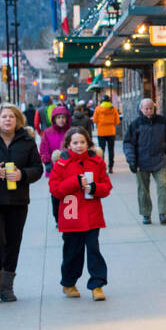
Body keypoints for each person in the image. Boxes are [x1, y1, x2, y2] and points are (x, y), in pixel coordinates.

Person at [0, 103, 44, 304]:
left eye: (12, 117)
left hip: (18, 201)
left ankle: (7, 288)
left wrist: (22, 174)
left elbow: (38, 169)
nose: (8, 119)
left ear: (18, 120)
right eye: (4, 116)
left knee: (13, 244)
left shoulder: (27, 141)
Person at [49, 127, 111, 301]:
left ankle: (97, 285)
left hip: (92, 215)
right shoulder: (61, 164)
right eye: (75, 143)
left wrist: (94, 188)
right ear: (68, 144)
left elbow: (106, 187)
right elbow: (55, 190)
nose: (79, 146)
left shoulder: (97, 162)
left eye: (82, 142)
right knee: (72, 252)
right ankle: (68, 283)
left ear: (88, 143)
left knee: (93, 250)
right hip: (71, 216)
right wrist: (74, 182)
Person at [123, 98, 166, 225]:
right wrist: (131, 160)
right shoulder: (136, 124)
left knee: (162, 186)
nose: (149, 111)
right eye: (146, 108)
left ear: (154, 108)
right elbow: (129, 144)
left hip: (160, 160)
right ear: (141, 109)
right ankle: (146, 214)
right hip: (142, 162)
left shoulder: (163, 122)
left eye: (151, 108)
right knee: (143, 189)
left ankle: (163, 213)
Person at [39, 105, 72, 216]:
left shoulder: (71, 132)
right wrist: (47, 162)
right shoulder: (48, 132)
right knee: (56, 193)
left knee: (70, 193)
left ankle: (68, 215)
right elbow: (43, 148)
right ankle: (57, 216)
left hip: (70, 168)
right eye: (58, 117)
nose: (61, 120)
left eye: (63, 117)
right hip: (54, 168)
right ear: (54, 119)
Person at [92, 95, 121, 172]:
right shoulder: (114, 109)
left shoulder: (98, 109)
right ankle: (111, 167)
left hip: (101, 132)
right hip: (111, 131)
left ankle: (102, 167)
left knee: (101, 150)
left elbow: (94, 120)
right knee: (111, 150)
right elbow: (117, 122)